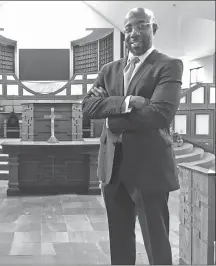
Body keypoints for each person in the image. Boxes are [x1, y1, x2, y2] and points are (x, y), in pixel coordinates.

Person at [82, 7, 183, 265]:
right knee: (119, 240)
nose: (134, 33)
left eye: (141, 25)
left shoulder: (168, 65)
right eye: (128, 28)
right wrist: (128, 102)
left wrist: (110, 115)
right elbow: (87, 108)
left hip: (148, 169)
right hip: (112, 168)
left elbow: (160, 115)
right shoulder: (109, 70)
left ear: (153, 28)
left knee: (156, 242)